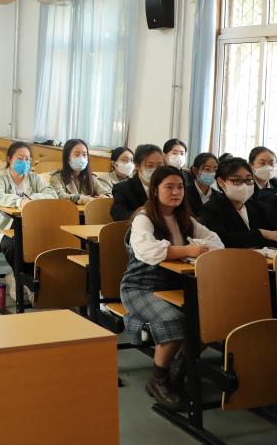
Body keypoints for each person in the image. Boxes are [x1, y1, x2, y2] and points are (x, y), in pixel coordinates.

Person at [120, 166, 224, 409]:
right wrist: (188, 250)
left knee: (210, 319)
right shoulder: (144, 218)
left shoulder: (185, 218)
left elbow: (216, 243)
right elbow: (148, 251)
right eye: (169, 187)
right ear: (155, 190)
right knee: (173, 319)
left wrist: (192, 247)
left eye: (180, 187)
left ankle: (180, 367)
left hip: (176, 285)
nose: (176, 192)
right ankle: (158, 378)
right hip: (140, 287)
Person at [0, 142, 57, 300]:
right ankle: (27, 281)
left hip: (29, 226)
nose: (24, 162)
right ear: (10, 159)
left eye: (27, 159)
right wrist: (19, 201)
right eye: (20, 158)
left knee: (43, 241)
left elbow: (52, 194)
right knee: (15, 245)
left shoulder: (34, 178)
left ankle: (22, 278)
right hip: (1, 229)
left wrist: (30, 198)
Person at [202, 157, 277, 248]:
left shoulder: (255, 205)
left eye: (249, 180)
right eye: (237, 180)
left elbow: (274, 235)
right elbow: (222, 239)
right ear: (221, 182)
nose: (245, 185)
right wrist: (260, 233)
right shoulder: (211, 208)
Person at [48, 139, 112, 204]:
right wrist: (80, 198)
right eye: (77, 155)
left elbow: (106, 192)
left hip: (87, 210)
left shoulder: (90, 177)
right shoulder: (57, 177)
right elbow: (60, 196)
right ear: (67, 157)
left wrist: (105, 196)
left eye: (84, 155)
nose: (82, 158)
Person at [111, 144, 164, 221]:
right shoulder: (123, 188)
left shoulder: (168, 187)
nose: (155, 170)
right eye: (150, 166)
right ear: (137, 166)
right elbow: (118, 214)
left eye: (160, 166)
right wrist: (138, 213)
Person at [185, 153, 218, 219]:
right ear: (195, 170)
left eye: (215, 169)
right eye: (207, 169)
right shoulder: (185, 193)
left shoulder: (218, 196)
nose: (212, 173)